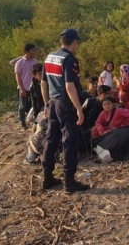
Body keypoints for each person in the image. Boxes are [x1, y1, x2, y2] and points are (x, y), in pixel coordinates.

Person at [41, 29, 89, 192]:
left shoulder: (49, 57)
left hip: (53, 103)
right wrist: (78, 109)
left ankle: (47, 177)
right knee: (69, 141)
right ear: (74, 41)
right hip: (65, 105)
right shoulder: (69, 60)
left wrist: (46, 104)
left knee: (51, 139)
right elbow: (69, 86)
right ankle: (69, 181)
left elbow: (43, 84)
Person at [15, 44, 38, 129]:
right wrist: (21, 89)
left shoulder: (35, 61)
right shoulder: (20, 63)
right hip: (23, 87)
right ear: (26, 52)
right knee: (22, 106)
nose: (34, 52)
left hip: (33, 88)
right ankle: (22, 122)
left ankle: (33, 121)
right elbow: (18, 76)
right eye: (32, 50)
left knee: (33, 104)